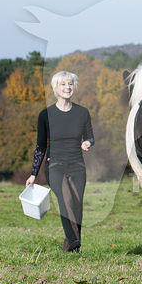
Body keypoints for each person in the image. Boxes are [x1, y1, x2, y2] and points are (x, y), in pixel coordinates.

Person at [26, 71, 94, 253]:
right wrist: (33, 174)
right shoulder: (45, 115)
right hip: (54, 165)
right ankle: (75, 244)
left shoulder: (82, 113)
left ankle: (69, 245)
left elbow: (90, 137)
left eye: (70, 84)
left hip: (77, 165)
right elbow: (40, 146)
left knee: (77, 205)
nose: (67, 87)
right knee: (65, 201)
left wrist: (87, 142)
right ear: (55, 88)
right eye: (63, 84)